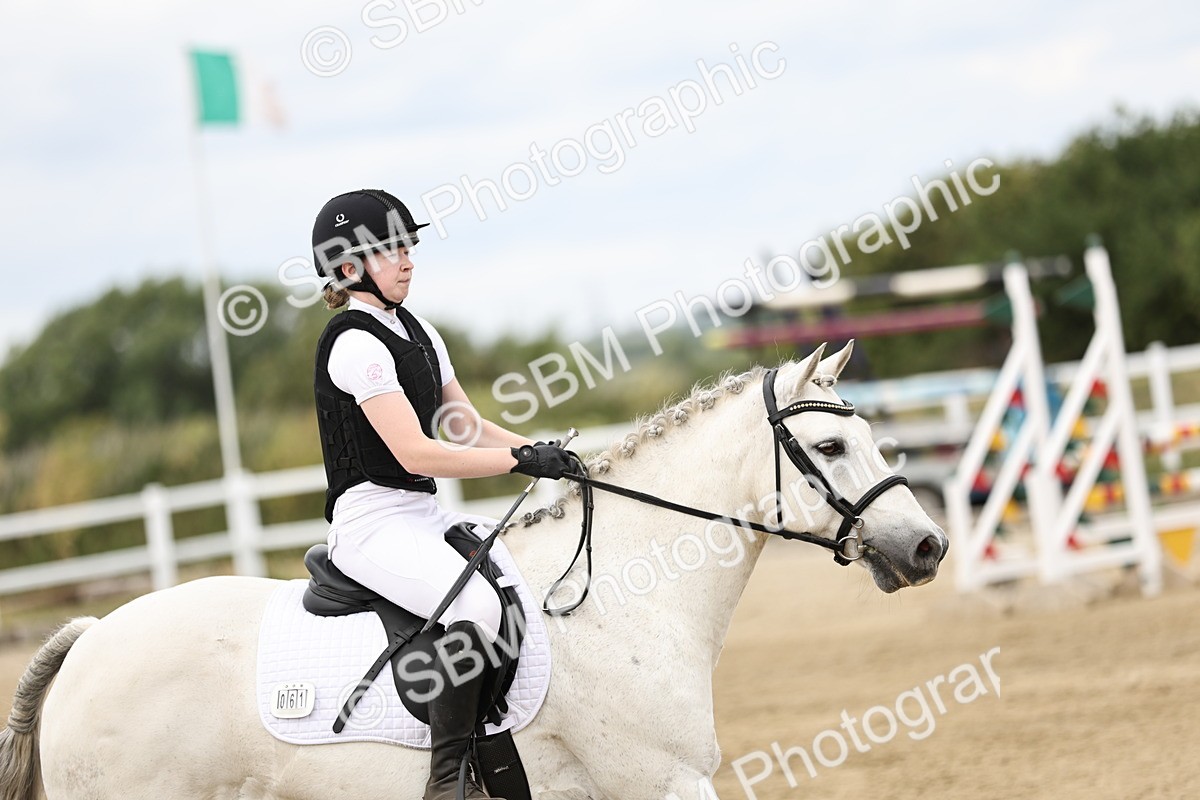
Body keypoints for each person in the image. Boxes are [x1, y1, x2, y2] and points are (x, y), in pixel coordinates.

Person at [310, 189, 572, 800]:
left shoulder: (418, 330)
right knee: (476, 610)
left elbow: (460, 424)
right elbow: (415, 453)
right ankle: (447, 781)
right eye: (392, 249)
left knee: (519, 582)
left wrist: (542, 452)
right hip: (370, 524)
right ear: (349, 266)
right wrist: (515, 462)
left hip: (422, 513)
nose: (408, 260)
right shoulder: (354, 344)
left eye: (409, 246)